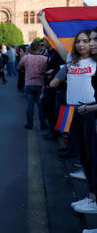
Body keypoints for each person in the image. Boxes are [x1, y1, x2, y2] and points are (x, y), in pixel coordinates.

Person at [39, 11, 97, 214]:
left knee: (92, 156)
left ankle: (94, 198)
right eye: (79, 41)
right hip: (74, 111)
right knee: (83, 156)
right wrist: (43, 20)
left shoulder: (95, 62)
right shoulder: (71, 60)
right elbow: (55, 40)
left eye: (86, 41)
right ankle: (91, 196)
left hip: (91, 112)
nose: (82, 45)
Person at [17, 40, 48, 130]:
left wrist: (24, 69)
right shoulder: (44, 59)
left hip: (29, 83)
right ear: (40, 48)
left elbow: (19, 67)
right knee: (40, 106)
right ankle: (43, 124)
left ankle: (29, 124)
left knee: (30, 105)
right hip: (40, 85)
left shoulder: (26, 58)